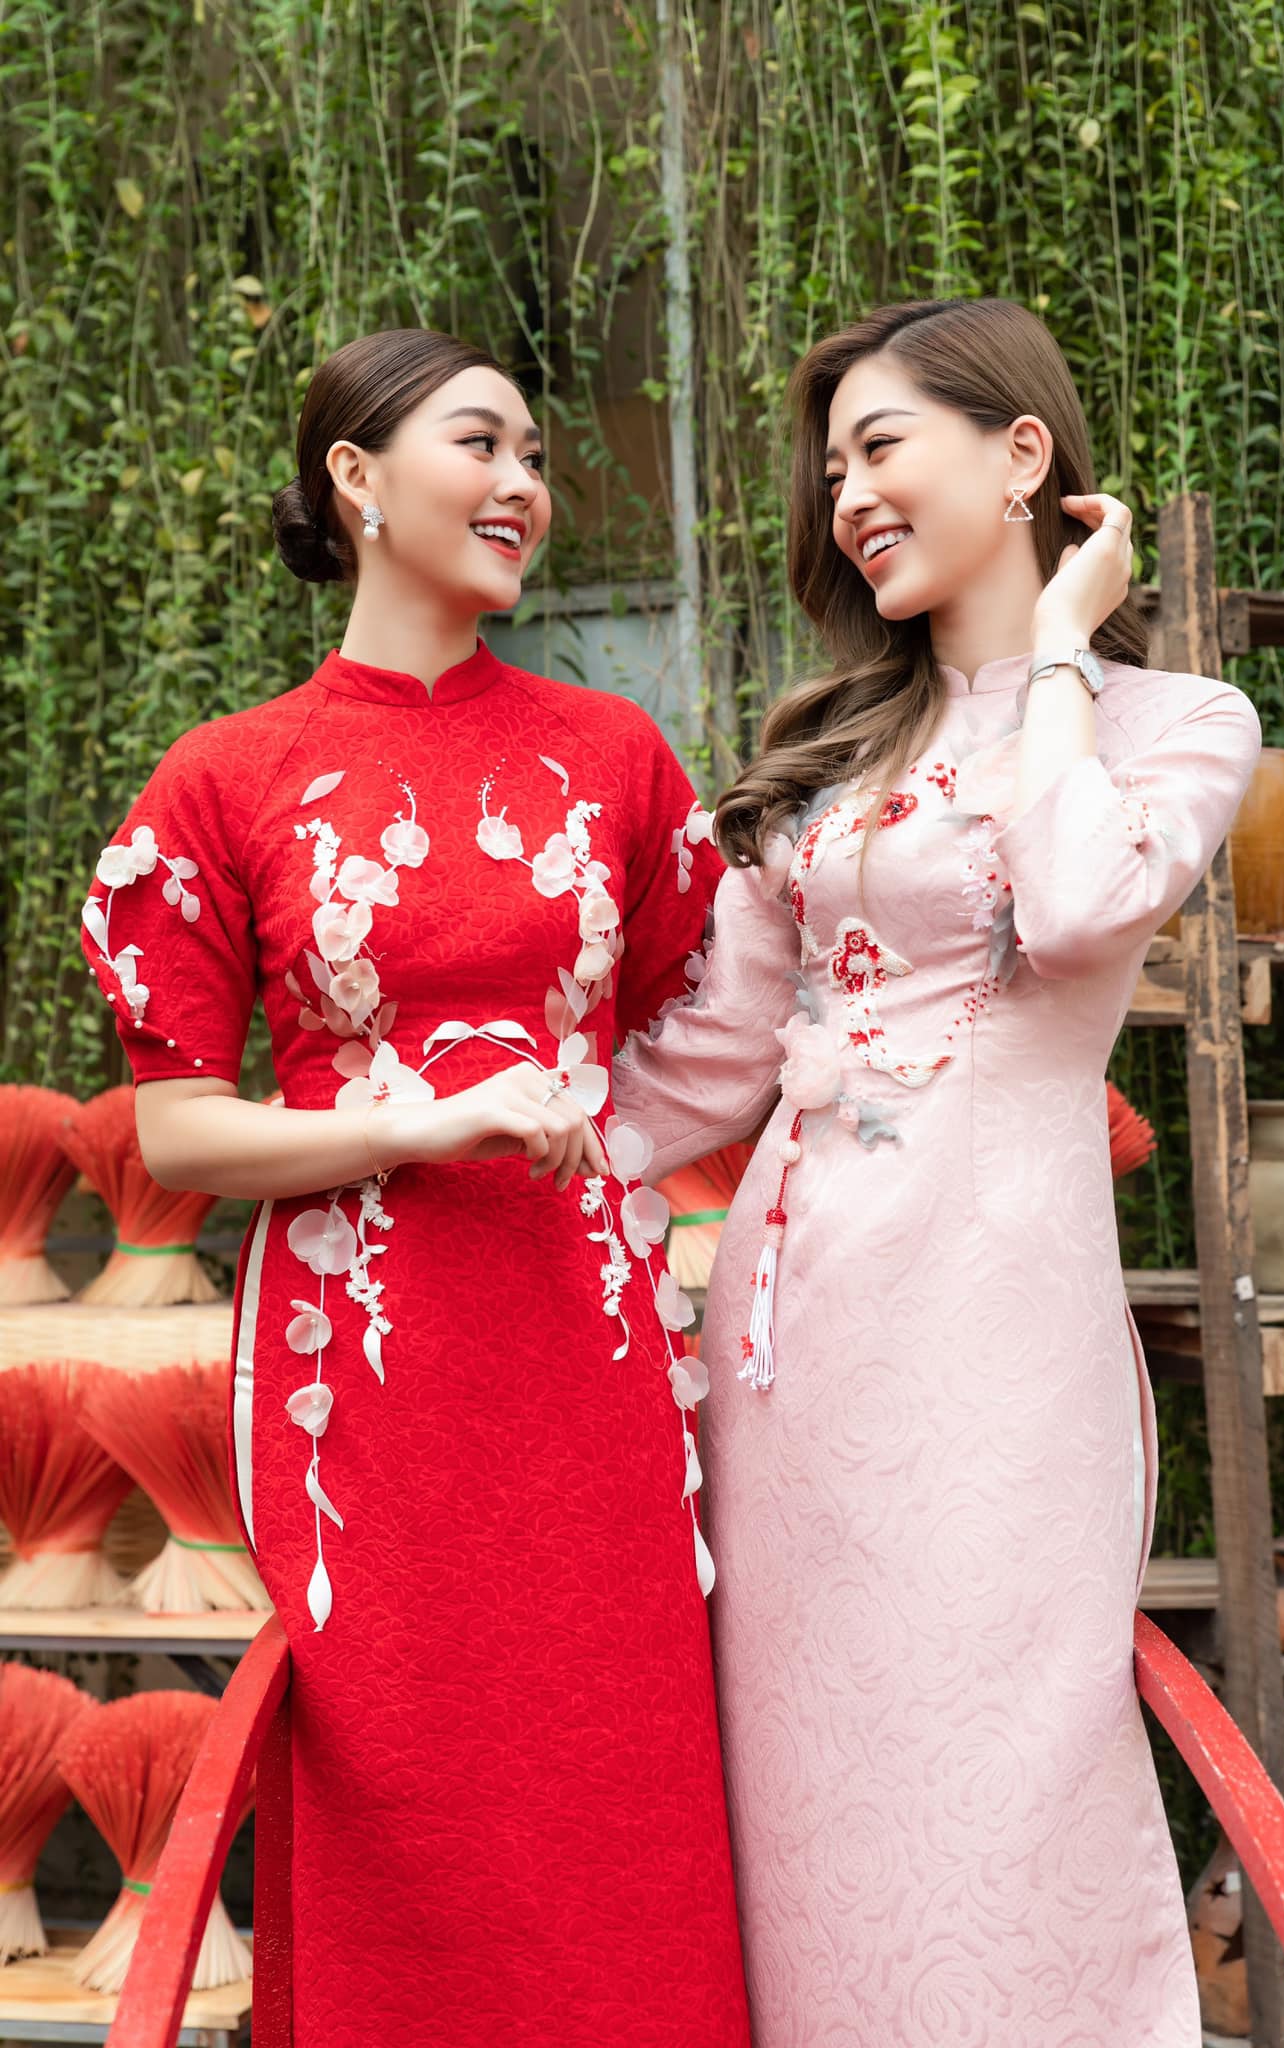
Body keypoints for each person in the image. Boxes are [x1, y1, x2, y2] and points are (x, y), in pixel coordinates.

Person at [80, 329, 750, 2046]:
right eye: (481, 444)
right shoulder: (228, 777)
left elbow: (716, 1032)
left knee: (615, 1766)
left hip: (591, 1345)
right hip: (361, 1376)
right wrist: (418, 1130)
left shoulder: (615, 758)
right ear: (356, 480)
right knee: (403, 1777)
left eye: (537, 456)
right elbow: (178, 1139)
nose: (524, 483)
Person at [612, 296, 1261, 2045]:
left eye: (881, 447)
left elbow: (1077, 906)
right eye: (831, 470)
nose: (848, 499)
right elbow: (714, 1061)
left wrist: (1057, 647)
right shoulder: (833, 747)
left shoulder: (1178, 722)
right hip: (792, 1335)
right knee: (803, 1768)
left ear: (1022, 453)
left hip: (994, 1326)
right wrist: (473, 1136)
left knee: (1002, 1750)